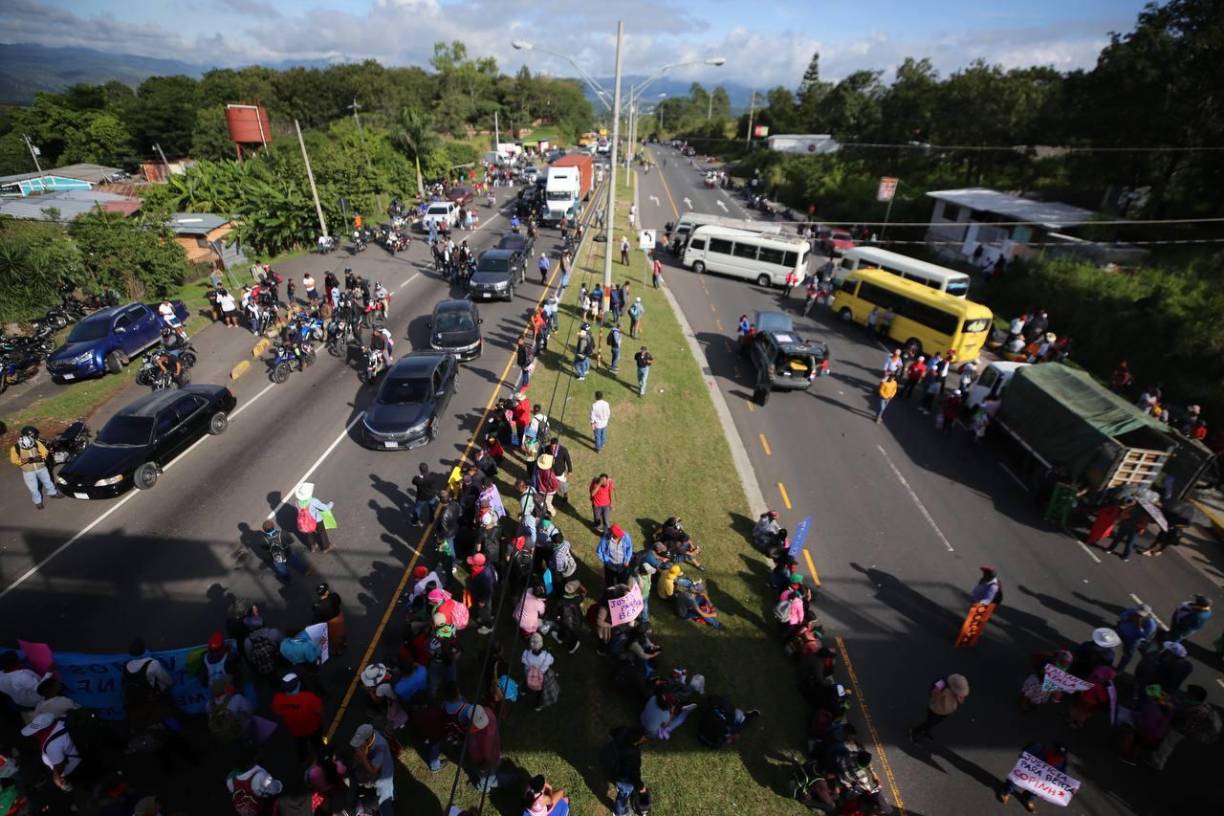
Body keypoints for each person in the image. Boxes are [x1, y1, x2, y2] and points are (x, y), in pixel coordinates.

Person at [997, 742, 1068, 811]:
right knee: (1017, 777)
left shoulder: (1063, 762)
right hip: (1026, 772)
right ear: (1051, 749)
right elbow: (1024, 753)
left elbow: (1061, 775)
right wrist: (1023, 755)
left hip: (1041, 778)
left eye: (1059, 755)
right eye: (1055, 752)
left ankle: (1027, 797)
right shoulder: (1039, 748)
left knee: (1038, 787)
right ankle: (1006, 791)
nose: (1057, 756)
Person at [272, 672, 324, 761]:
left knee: (301, 744)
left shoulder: (278, 699)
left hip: (295, 730)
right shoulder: (309, 697)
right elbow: (319, 710)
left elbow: (277, 712)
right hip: (313, 727)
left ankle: (303, 759)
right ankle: (323, 756)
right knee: (317, 743)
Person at [10, 426, 61, 509]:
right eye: (27, 448)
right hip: (28, 471)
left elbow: (44, 451)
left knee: (48, 481)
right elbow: (14, 460)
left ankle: (53, 493)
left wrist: (41, 457)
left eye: (31, 446)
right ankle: (38, 502)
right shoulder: (15, 448)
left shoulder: (36, 442)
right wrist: (25, 460)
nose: (30, 448)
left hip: (41, 467)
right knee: (33, 488)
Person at [909, 673, 969, 742]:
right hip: (935, 708)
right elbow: (934, 693)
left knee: (935, 722)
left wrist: (957, 697)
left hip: (947, 711)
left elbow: (961, 701)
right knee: (929, 722)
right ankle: (914, 731)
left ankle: (926, 731)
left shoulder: (958, 689)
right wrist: (943, 694)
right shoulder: (942, 682)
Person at [351, 723, 395, 816]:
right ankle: (393, 795)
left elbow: (373, 770)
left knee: (384, 801)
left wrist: (363, 757)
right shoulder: (372, 734)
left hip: (384, 778)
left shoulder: (380, 748)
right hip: (378, 770)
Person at [606, 726, 648, 816]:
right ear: (635, 740)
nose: (644, 738)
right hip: (621, 778)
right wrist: (641, 787)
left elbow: (611, 733)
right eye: (643, 737)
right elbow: (633, 774)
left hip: (611, 763)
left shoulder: (622, 733)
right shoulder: (633, 756)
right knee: (623, 795)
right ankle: (619, 812)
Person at [521, 633, 561, 712]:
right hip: (542, 678)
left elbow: (523, 661)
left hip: (529, 674)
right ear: (541, 644)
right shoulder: (546, 656)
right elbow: (552, 661)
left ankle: (523, 690)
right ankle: (538, 705)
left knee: (526, 679)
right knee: (540, 692)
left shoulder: (526, 654)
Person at [1115, 605, 1158, 672]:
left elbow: (1145, 636)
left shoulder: (1151, 624)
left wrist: (1139, 626)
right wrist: (1129, 618)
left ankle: (1119, 670)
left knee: (1127, 655)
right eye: (1137, 613)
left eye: (1141, 615)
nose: (1138, 615)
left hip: (1132, 640)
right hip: (1121, 631)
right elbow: (1121, 616)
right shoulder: (1132, 610)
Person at [295, 482, 335, 553]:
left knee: (309, 533)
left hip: (305, 522)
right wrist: (331, 504)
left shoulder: (297, 502)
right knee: (322, 532)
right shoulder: (313, 501)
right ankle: (326, 547)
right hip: (317, 520)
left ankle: (313, 546)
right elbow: (324, 508)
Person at [312, 582, 347, 653]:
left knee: (334, 637)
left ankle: (337, 651)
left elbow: (317, 616)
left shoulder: (317, 605)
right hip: (339, 616)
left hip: (330, 622)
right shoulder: (334, 596)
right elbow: (339, 601)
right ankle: (344, 642)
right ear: (326, 592)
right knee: (342, 631)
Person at [412, 462, 439, 527]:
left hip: (421, 497)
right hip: (431, 495)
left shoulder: (419, 480)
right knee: (431, 508)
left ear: (420, 470)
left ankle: (415, 521)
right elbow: (432, 475)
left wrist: (419, 476)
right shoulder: (432, 476)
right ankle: (431, 520)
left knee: (418, 509)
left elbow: (413, 480)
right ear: (427, 469)